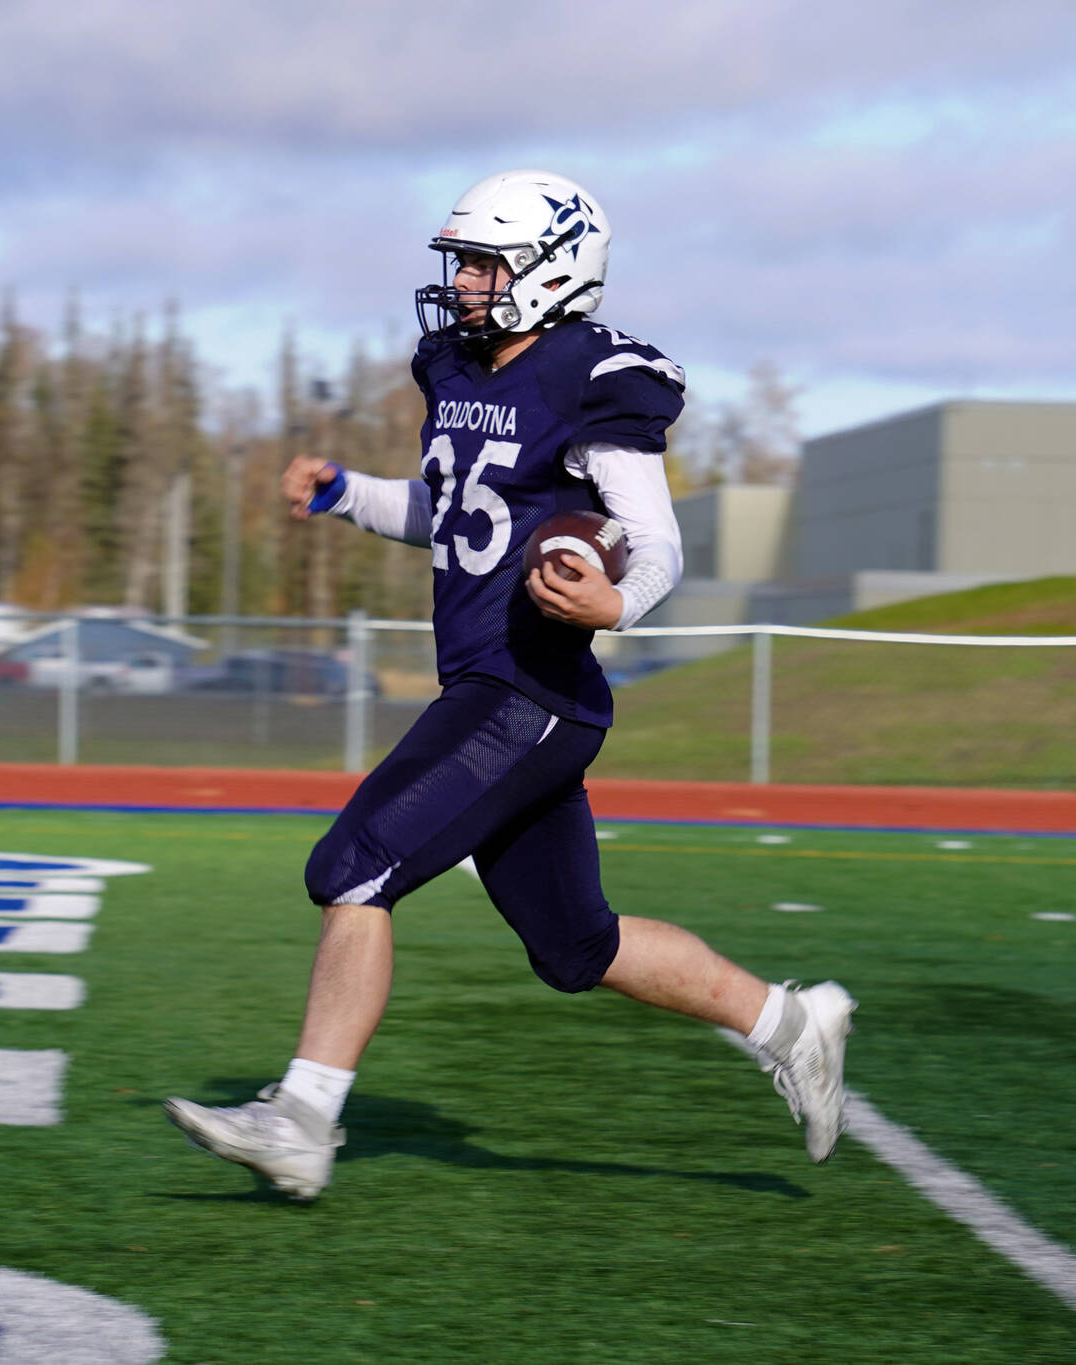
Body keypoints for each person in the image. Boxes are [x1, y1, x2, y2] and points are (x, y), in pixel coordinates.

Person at [165, 170, 854, 1201]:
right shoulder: (456, 368)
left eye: (487, 264)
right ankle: (787, 1025)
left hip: (526, 691)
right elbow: (449, 512)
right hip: (500, 694)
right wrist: (348, 494)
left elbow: (654, 542)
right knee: (576, 947)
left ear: (553, 271)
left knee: (353, 866)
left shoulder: (589, 375)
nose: (466, 285)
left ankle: (302, 1119)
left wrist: (614, 607)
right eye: (463, 264)